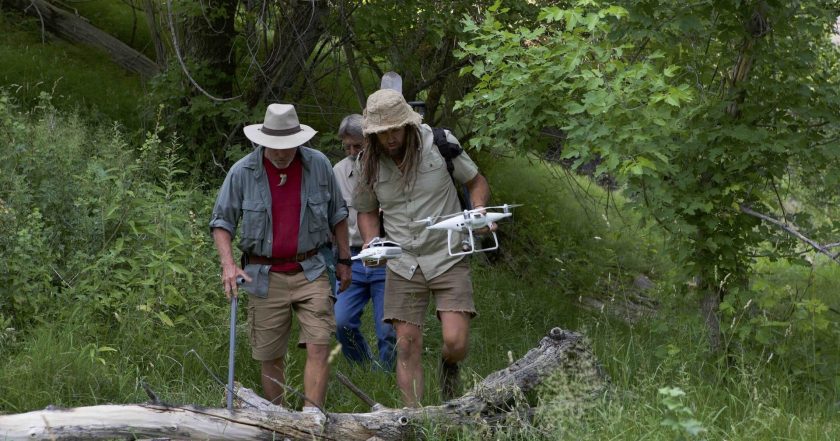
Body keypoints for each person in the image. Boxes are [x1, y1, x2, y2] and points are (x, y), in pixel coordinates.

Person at [353, 89, 493, 406]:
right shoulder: (367, 163)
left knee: (455, 341)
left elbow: (476, 182)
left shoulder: (440, 144)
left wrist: (479, 210)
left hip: (448, 253)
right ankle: (414, 422)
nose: (389, 138)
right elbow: (366, 210)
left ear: (407, 125)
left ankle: (449, 366)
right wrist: (372, 242)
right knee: (406, 345)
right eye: (381, 132)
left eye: (395, 129)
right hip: (403, 261)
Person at [209, 103, 352, 412]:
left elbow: (338, 215)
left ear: (299, 142)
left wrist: (344, 260)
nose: (281, 152)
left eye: (287, 146)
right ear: (262, 141)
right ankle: (278, 418)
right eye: (274, 146)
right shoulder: (243, 172)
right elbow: (221, 223)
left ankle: (312, 419)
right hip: (263, 274)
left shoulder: (319, 166)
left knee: (319, 343)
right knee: (270, 354)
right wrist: (228, 264)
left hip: (311, 268)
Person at [332, 114, 396, 370]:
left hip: (386, 256)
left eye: (357, 146)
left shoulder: (388, 167)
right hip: (353, 258)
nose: (351, 152)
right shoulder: (337, 171)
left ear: (369, 142)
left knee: (387, 327)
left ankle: (389, 376)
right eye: (347, 147)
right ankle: (365, 368)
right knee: (341, 322)